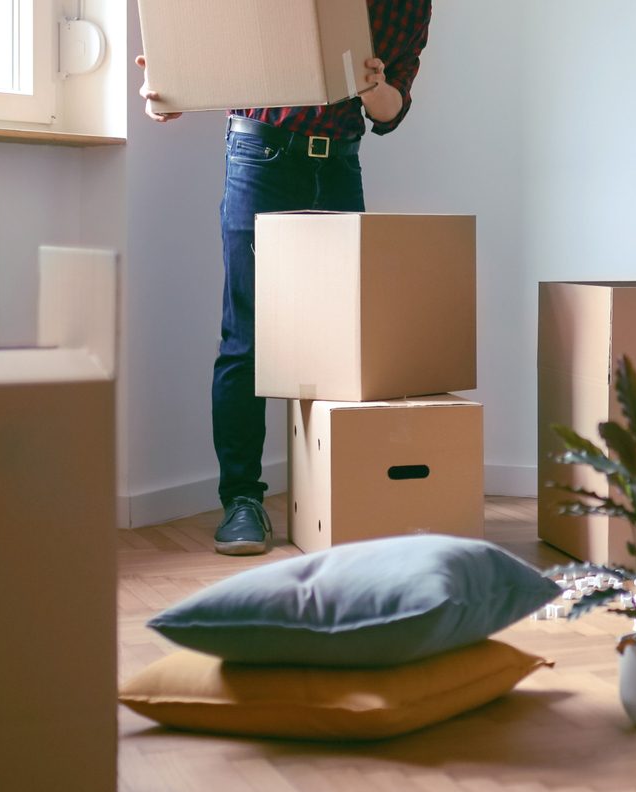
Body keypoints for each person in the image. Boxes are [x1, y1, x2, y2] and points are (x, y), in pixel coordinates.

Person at [135, 1, 432, 555]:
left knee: (342, 347)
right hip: (260, 155)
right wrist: (172, 86)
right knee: (248, 337)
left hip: (340, 163)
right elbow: (219, 38)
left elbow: (392, 111)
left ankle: (338, 496)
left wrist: (374, 87)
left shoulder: (410, 3)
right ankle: (242, 502)